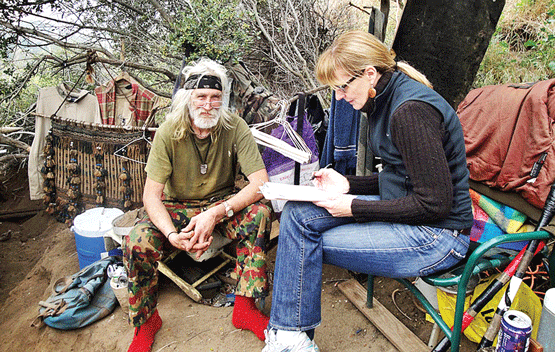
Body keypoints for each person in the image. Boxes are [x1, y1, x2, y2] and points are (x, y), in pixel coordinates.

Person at [262, 30, 474, 352]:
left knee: (302, 241)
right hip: (410, 210)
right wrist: (348, 185)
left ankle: (291, 339)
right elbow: (402, 175)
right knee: (297, 212)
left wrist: (354, 207)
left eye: (342, 86)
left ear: (370, 73)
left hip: (438, 236)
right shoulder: (381, 99)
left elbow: (435, 204)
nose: (339, 97)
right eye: (333, 89)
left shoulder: (408, 112)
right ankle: (291, 334)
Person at [123, 58, 272, 352]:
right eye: (201, 96)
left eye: (216, 97)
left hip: (219, 205)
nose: (208, 104)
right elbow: (151, 196)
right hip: (177, 208)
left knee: (260, 213)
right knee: (137, 240)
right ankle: (147, 320)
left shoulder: (235, 127)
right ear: (187, 98)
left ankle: (244, 306)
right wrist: (170, 234)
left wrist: (215, 213)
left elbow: (260, 182)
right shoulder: (168, 131)